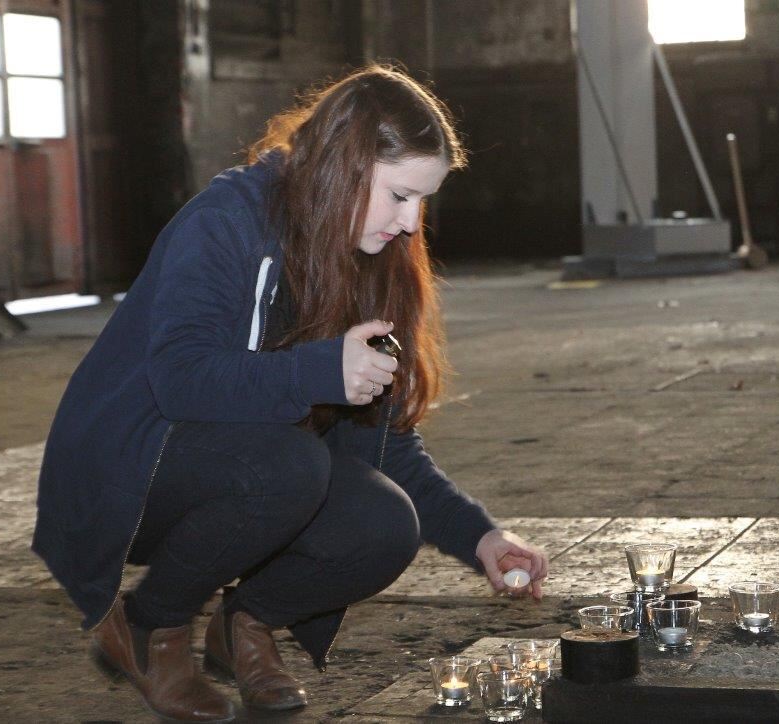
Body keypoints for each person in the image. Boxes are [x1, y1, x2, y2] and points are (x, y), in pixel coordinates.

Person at [32, 64, 548, 722]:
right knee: (288, 466)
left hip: (241, 467)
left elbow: (380, 443)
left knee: (384, 523)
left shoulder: (372, 260)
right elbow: (180, 381)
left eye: (423, 201)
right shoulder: (225, 221)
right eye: (398, 195)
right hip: (131, 465)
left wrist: (480, 536)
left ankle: (243, 625)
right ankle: (147, 626)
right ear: (344, 164)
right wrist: (317, 372)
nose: (412, 223)